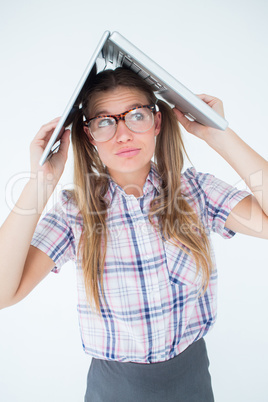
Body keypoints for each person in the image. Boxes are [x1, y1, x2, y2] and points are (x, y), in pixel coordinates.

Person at [0, 67, 267, 402]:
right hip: (114, 390)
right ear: (88, 135)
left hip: (193, 383)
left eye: (136, 116)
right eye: (105, 122)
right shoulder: (76, 211)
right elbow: (2, 293)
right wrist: (41, 182)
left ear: (157, 123)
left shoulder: (196, 191)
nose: (123, 135)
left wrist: (219, 134)